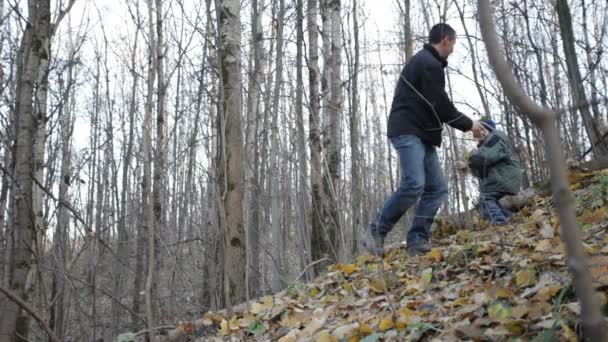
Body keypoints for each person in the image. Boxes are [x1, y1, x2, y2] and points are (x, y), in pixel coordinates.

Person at [364, 23, 484, 257]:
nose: (453, 49)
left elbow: (435, 104)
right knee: (414, 183)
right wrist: (469, 124)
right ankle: (376, 231)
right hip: (408, 130)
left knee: (437, 188)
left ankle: (417, 240)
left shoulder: (428, 63)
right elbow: (439, 104)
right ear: (446, 39)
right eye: (453, 44)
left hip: (422, 133)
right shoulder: (428, 63)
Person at [457, 119, 522, 225]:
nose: (479, 134)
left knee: (486, 199)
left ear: (488, 128)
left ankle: (500, 224)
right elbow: (481, 171)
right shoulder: (483, 147)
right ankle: (511, 219)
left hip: (505, 176)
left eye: (482, 130)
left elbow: (487, 157)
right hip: (499, 178)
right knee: (487, 202)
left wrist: (469, 163)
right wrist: (467, 168)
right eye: (477, 132)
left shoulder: (496, 137)